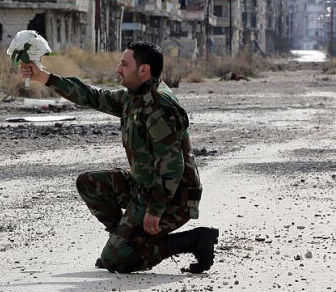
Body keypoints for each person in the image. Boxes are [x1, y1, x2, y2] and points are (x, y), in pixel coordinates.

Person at [20, 41, 218, 274]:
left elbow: (172, 164)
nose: (118, 69)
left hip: (174, 197)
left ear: (143, 70)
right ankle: (128, 243)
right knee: (89, 183)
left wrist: (155, 210)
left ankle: (193, 240)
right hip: (144, 186)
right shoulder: (133, 97)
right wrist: (44, 77)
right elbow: (91, 96)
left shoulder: (158, 106)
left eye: (124, 64)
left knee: (116, 262)